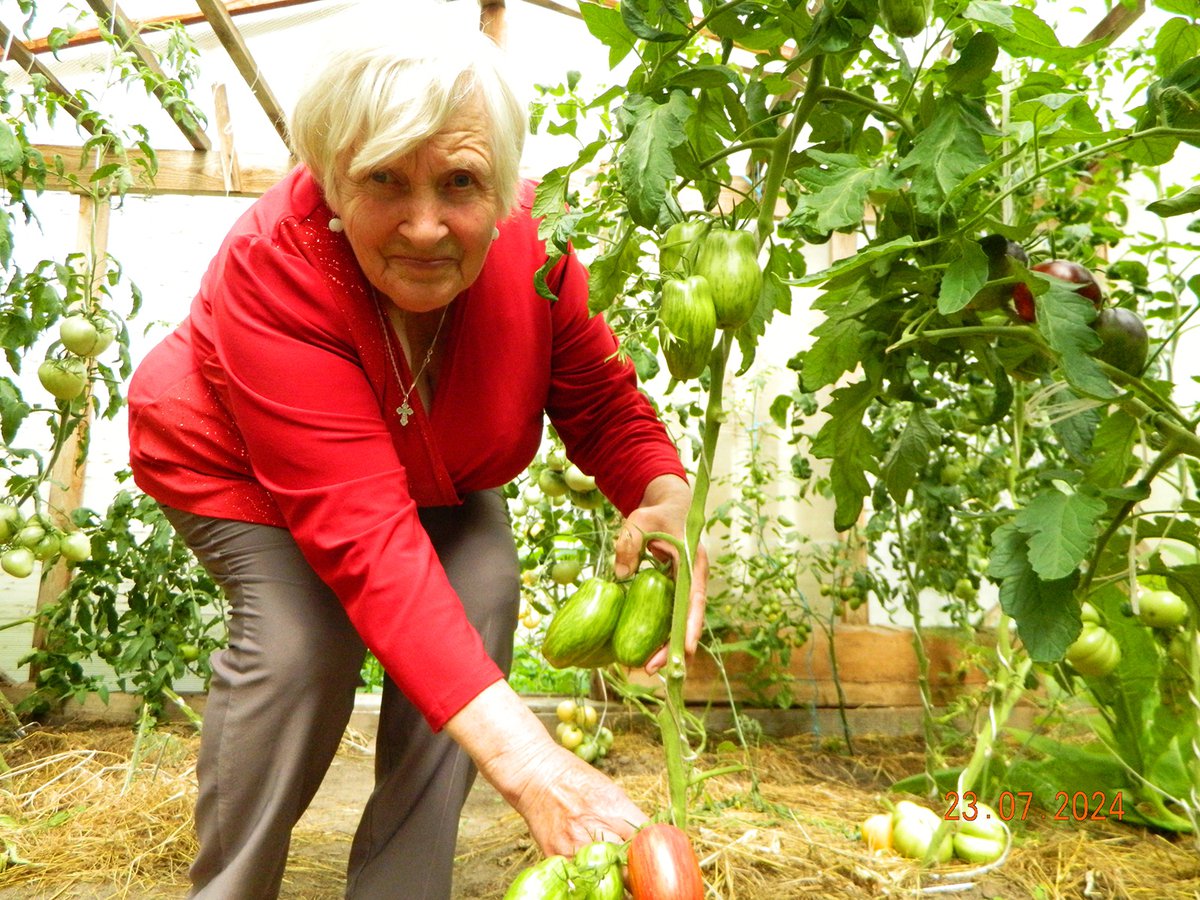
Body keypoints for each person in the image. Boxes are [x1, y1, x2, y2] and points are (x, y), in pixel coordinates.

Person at [126, 21, 708, 900]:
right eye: (384, 180)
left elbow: (597, 398)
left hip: (440, 464)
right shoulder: (275, 266)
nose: (426, 225)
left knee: (476, 604)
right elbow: (362, 537)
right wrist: (534, 768)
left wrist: (665, 494)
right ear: (328, 179)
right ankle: (232, 889)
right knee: (299, 643)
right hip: (237, 465)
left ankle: (400, 889)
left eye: (462, 182)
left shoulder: (538, 247)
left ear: (506, 182)